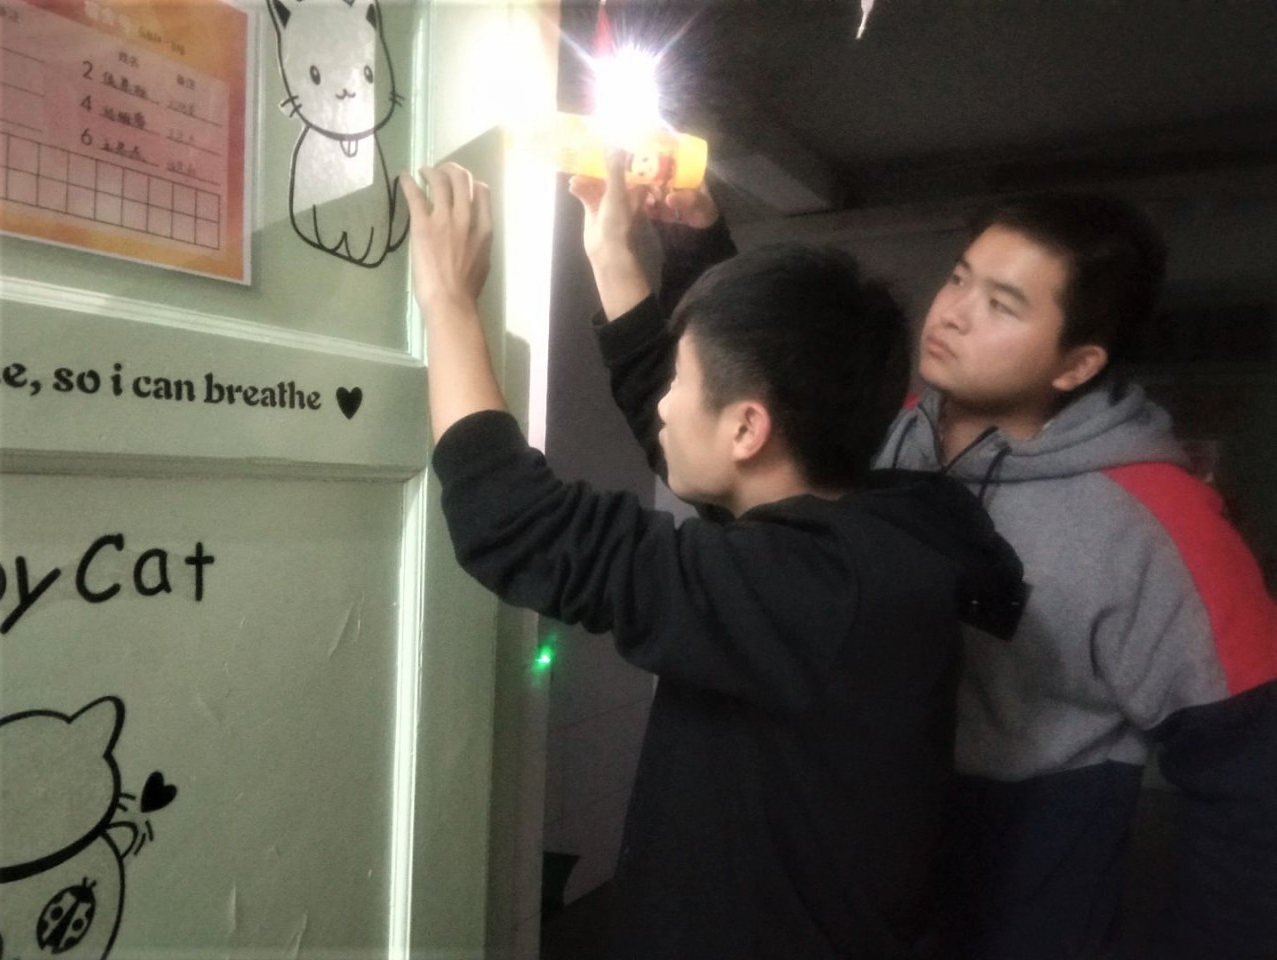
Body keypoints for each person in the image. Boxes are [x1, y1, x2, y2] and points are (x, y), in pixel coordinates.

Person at [399, 156, 1024, 960]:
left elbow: (518, 525)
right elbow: (698, 422)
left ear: (748, 429)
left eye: (681, 383)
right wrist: (624, 250)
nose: (662, 402)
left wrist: (449, 304)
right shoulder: (859, 532)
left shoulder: (812, 590)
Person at [647, 184, 1277, 959]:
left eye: (1002, 305)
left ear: (1078, 362)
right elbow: (761, 378)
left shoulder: (1160, 525)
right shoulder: (879, 430)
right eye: (958, 278)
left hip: (1017, 895)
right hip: (844, 874)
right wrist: (694, 243)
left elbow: (1253, 783)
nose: (950, 313)